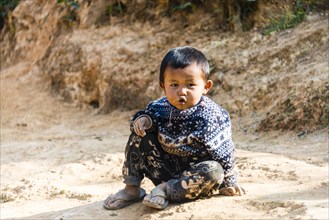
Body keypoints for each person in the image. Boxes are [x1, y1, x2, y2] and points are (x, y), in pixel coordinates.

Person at [104, 46, 245, 210]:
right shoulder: (158, 107)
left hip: (193, 175)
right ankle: (132, 189)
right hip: (163, 168)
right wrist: (143, 120)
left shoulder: (211, 116)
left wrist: (229, 181)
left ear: (206, 87)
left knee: (214, 171)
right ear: (163, 85)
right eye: (174, 85)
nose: (182, 91)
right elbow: (146, 117)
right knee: (139, 133)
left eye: (190, 85)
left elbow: (224, 153)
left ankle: (164, 190)